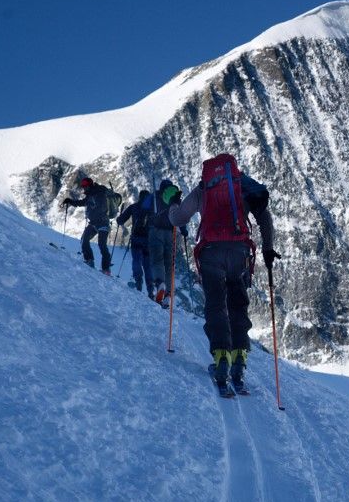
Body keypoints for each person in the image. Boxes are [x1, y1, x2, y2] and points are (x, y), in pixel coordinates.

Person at [161, 154, 279, 395]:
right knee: (238, 306)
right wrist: (267, 249)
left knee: (216, 306)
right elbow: (264, 216)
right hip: (240, 254)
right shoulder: (244, 185)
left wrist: (173, 202)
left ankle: (221, 358)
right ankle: (239, 362)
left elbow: (178, 218)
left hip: (211, 253)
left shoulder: (204, 187)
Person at [63, 177, 115, 274]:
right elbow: (82, 202)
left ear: (90, 185)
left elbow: (102, 207)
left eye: (85, 186)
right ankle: (89, 260)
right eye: (83, 186)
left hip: (103, 222)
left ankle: (106, 269)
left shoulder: (100, 192)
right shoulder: (91, 194)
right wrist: (70, 201)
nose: (84, 188)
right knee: (84, 240)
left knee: (102, 244)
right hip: (94, 223)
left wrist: (92, 210)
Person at [147, 179, 187, 307]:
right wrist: (184, 230)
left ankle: (160, 284)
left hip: (156, 231)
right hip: (171, 233)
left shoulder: (155, 196)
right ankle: (168, 294)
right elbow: (180, 215)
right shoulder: (175, 197)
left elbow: (144, 207)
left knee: (157, 260)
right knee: (170, 265)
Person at [115, 190, 154, 297]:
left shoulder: (134, 207)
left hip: (136, 238)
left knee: (136, 260)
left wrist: (119, 218)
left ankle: (138, 284)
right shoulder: (153, 209)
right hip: (149, 241)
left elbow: (121, 220)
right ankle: (151, 290)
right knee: (148, 265)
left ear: (140, 197)